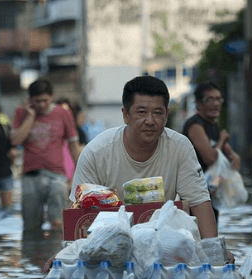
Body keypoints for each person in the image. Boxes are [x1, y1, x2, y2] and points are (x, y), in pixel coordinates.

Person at [69, 75, 234, 264]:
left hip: (164, 248)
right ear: (125, 115)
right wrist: (68, 255)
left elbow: (200, 203)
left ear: (166, 115)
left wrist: (214, 252)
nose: (150, 120)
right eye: (141, 112)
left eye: (157, 112)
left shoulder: (180, 147)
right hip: (109, 251)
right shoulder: (96, 152)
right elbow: (78, 215)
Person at [11, 79, 80, 232]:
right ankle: (32, 255)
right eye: (37, 101)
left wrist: (78, 177)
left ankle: (54, 252)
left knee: (58, 223)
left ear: (52, 97)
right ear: (30, 100)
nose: (41, 105)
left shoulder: (63, 113)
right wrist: (30, 116)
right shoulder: (21, 113)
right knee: (31, 226)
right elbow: (15, 140)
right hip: (30, 176)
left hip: (57, 176)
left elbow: (74, 146)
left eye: (45, 101)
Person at [182, 81, 241, 224]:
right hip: (194, 196)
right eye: (210, 99)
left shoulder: (213, 126)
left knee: (212, 235)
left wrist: (233, 156)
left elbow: (232, 157)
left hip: (210, 192)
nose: (216, 103)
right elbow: (209, 158)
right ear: (199, 104)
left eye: (218, 99)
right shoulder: (195, 125)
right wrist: (221, 141)